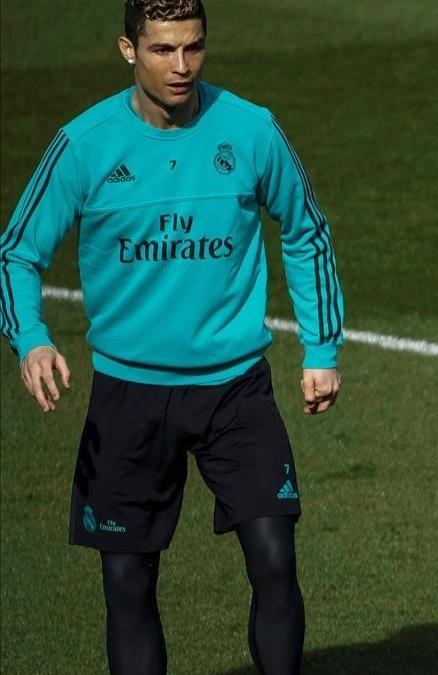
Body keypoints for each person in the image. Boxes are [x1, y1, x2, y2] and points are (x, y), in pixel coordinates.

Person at [0, 1, 344, 673]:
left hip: (235, 390)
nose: (181, 66)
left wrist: (321, 349)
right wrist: (32, 338)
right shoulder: (85, 144)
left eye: (193, 48)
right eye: (163, 50)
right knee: (128, 584)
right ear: (128, 48)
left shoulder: (249, 130)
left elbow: (308, 229)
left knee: (275, 557)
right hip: (129, 395)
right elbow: (15, 252)